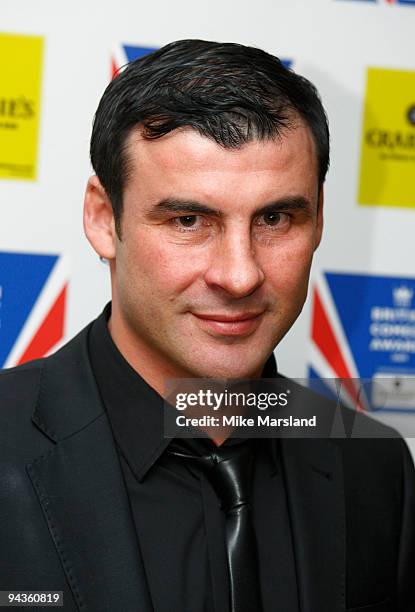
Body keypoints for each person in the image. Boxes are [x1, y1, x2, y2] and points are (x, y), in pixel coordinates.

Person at [0, 39, 414, 612]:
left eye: (275, 218)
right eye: (189, 220)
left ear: (319, 218)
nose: (240, 275)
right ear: (103, 217)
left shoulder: (374, 468)